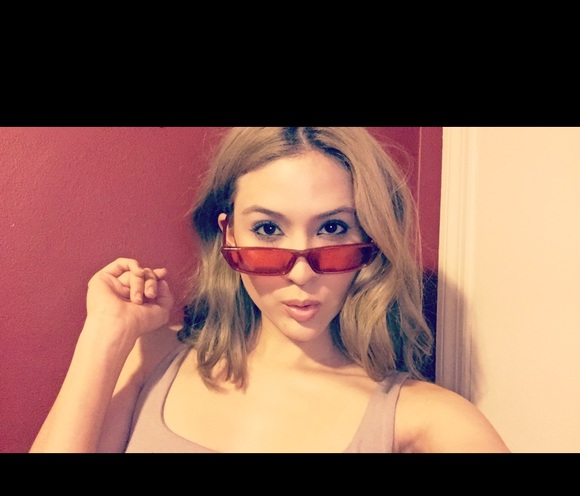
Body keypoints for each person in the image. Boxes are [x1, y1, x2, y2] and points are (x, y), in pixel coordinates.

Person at [29, 127, 510, 453]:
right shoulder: (150, 360)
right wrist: (104, 335)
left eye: (333, 229)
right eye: (267, 230)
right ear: (228, 234)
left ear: (370, 240)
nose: (301, 273)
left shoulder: (425, 417)